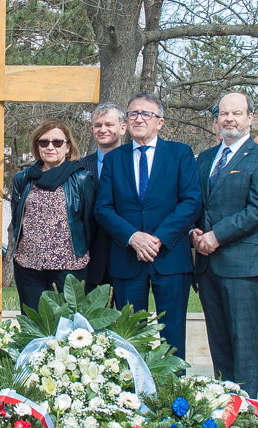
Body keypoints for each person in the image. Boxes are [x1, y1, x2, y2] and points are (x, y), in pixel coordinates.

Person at [94, 92, 202, 356]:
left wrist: (158, 238)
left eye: (146, 114)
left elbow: (191, 202)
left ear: (160, 122)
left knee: (172, 336)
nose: (138, 118)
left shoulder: (180, 153)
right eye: (133, 113)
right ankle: (133, 383)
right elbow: (103, 208)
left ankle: (173, 383)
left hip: (170, 259)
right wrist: (134, 238)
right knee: (130, 337)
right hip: (127, 260)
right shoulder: (114, 159)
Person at [192, 92, 258, 394]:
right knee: (218, 339)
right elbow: (196, 204)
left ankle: (247, 406)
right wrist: (194, 232)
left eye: (237, 113)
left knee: (243, 340)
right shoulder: (205, 159)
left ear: (250, 118)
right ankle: (225, 398)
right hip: (206, 264)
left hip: (242, 263)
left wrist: (216, 235)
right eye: (224, 113)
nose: (229, 118)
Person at [11, 119, 97, 310]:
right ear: (37, 146)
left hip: (68, 268)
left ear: (68, 147)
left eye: (57, 142)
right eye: (44, 142)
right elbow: (17, 219)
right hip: (29, 266)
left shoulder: (81, 178)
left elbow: (89, 225)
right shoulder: (23, 178)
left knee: (67, 325)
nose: (50, 147)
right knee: (34, 323)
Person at [81, 103, 125, 292]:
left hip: (128, 256)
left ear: (123, 128)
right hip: (92, 261)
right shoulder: (79, 168)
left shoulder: (136, 164)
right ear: (92, 130)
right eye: (98, 125)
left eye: (109, 124)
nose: (103, 129)